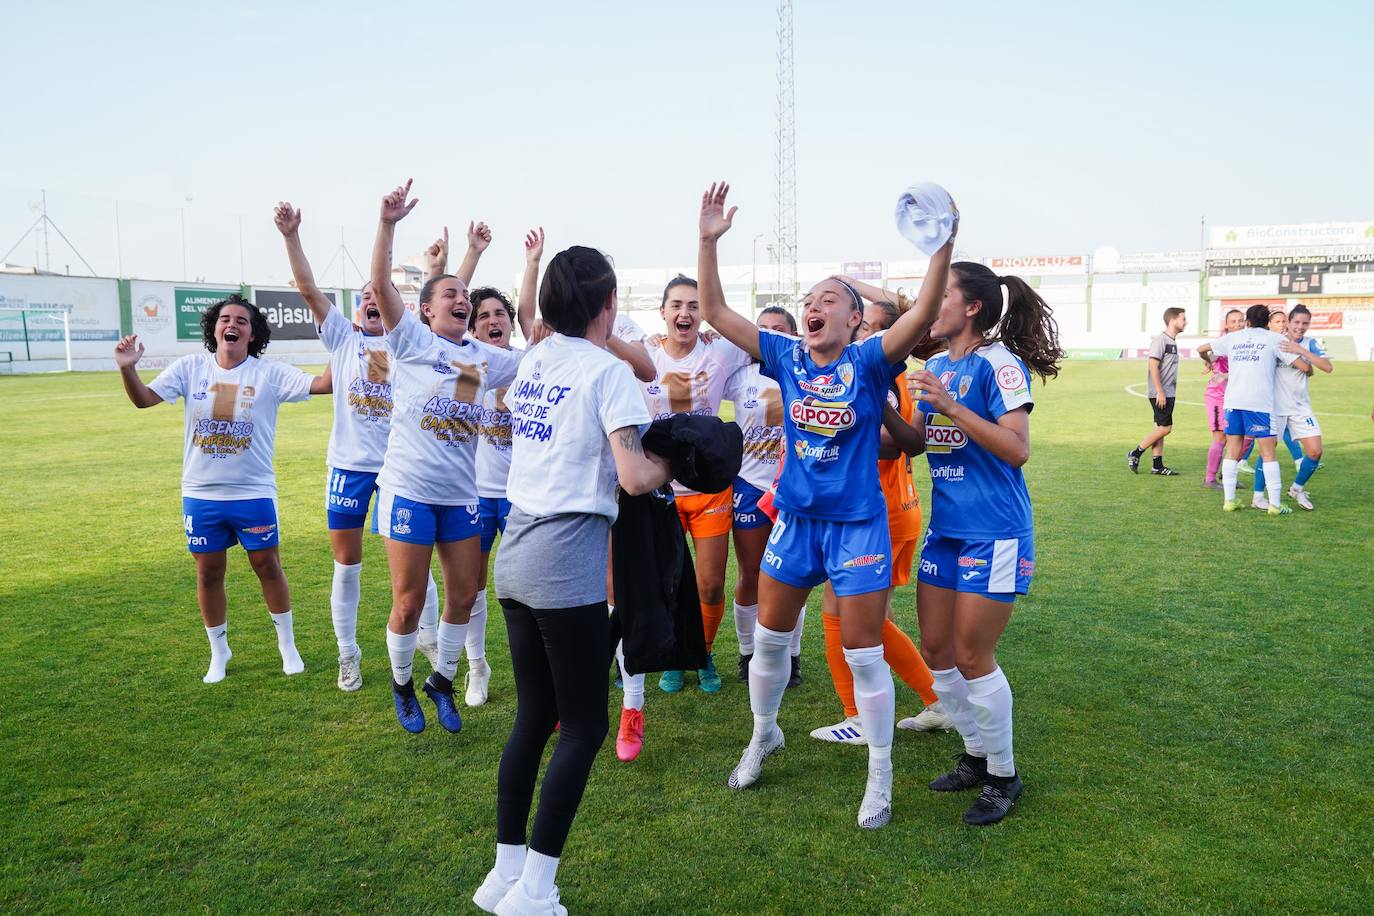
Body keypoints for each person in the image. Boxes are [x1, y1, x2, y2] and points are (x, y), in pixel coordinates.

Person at [697, 181, 952, 830]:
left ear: (854, 321)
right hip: (798, 525)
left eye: (828, 300)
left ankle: (880, 774)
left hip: (858, 526)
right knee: (772, 645)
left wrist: (941, 246)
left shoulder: (869, 360)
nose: (813, 306)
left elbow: (920, 315)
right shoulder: (784, 354)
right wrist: (707, 241)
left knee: (864, 651)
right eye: (809, 301)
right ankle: (763, 734)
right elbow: (717, 310)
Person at [471, 244, 673, 915]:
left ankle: (503, 872)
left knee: (535, 715)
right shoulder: (606, 371)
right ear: (608, 303)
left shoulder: (536, 359)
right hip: (564, 560)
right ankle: (535, 889)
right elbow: (634, 475)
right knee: (583, 726)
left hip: (517, 552)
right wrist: (684, 463)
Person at [907, 258, 1063, 826]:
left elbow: (1017, 448)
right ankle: (975, 753)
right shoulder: (935, 364)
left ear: (971, 307)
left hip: (995, 533)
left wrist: (949, 403)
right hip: (946, 531)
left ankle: (1003, 773)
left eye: (943, 294)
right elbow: (919, 443)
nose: (933, 304)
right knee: (937, 651)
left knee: (973, 655)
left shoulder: (999, 364)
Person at [369, 179, 524, 734]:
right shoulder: (410, 341)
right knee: (409, 605)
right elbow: (381, 284)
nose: (462, 300)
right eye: (451, 295)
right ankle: (403, 684)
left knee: (464, 593)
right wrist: (388, 224)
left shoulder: (485, 357)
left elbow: (541, 357)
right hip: (410, 490)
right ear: (425, 311)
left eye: (468, 294)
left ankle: (442, 681)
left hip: (462, 496)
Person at [113, 295, 327, 684]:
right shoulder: (191, 368)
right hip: (202, 493)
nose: (233, 324)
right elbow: (144, 400)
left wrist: (344, 343)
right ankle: (219, 651)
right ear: (214, 329)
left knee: (268, 566)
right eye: (225, 319)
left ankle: (287, 646)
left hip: (253, 492)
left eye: (242, 320)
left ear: (252, 333)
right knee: (209, 573)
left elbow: (324, 383)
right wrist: (128, 369)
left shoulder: (269, 374)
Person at [807, 291, 951, 744]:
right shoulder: (894, 373)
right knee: (875, 620)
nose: (858, 333)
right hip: (898, 509)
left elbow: (893, 440)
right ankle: (939, 699)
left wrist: (836, 432)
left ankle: (857, 715)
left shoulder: (877, 375)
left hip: (878, 514)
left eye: (867, 327)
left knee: (840, 616)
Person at [640, 274, 754, 696]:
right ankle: (673, 656)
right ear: (663, 312)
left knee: (709, 584)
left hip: (709, 490)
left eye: (693, 305)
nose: (685, 313)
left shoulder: (719, 353)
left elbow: (759, 336)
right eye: (677, 305)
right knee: (666, 581)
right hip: (660, 489)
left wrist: (718, 324)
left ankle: (700, 652)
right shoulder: (645, 355)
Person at [724, 307, 802, 687]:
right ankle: (747, 653)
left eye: (779, 330)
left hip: (791, 488)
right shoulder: (739, 375)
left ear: (793, 334)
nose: (770, 336)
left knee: (791, 575)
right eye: (763, 330)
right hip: (750, 485)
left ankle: (792, 655)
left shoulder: (803, 369)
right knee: (751, 573)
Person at [1197, 304, 1311, 516]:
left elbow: (1201, 349)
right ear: (1267, 322)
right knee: (1268, 453)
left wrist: (1208, 362)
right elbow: (1304, 368)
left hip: (1233, 402)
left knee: (1232, 451)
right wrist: (1308, 365)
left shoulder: (1234, 338)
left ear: (1247, 321)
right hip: (1260, 404)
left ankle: (1229, 501)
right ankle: (1275, 505)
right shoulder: (1275, 339)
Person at [1274, 305, 1333, 510]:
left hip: (1300, 408)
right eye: (1297, 322)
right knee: (1267, 453)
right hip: (1276, 408)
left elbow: (1327, 367)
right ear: (1288, 322)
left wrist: (1300, 350)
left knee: (1315, 452)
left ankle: (1296, 489)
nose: (1300, 327)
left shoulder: (1310, 343)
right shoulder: (1276, 341)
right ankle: (1258, 497)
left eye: (1305, 323)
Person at [1127, 308, 1186, 477]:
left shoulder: (1171, 341)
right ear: (1173, 320)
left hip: (1167, 391)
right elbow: (1153, 365)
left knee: (1159, 428)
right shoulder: (1161, 340)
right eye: (1183, 318)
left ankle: (1157, 466)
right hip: (1161, 392)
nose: (1185, 322)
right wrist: (1160, 391)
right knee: (1165, 428)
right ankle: (1135, 453)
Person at [1203, 309, 1245, 489]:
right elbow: (1209, 353)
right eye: (1233, 321)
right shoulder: (1223, 341)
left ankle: (1228, 474)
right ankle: (1210, 479)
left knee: (1242, 438)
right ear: (1226, 325)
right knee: (1220, 438)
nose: (1237, 324)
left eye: (1240, 321)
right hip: (1218, 396)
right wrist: (1209, 361)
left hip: (1237, 396)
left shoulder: (1245, 341)